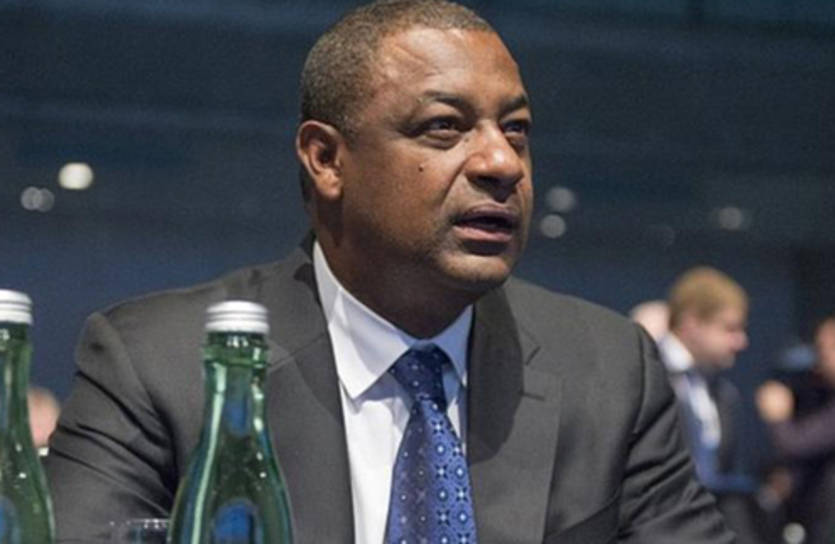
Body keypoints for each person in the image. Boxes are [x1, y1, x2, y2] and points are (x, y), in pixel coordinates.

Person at [44, 1, 734, 542]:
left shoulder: (608, 371)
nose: (501, 163)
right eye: (444, 127)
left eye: (516, 129)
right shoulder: (160, 366)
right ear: (326, 159)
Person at [656, 267, 760, 542]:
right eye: (730, 329)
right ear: (691, 323)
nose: (741, 342)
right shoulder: (644, 375)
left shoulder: (722, 392)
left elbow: (723, 483)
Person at [757, 316, 835, 544]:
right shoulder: (820, 393)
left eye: (828, 348)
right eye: (819, 348)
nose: (821, 357)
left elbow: (797, 444)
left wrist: (778, 417)